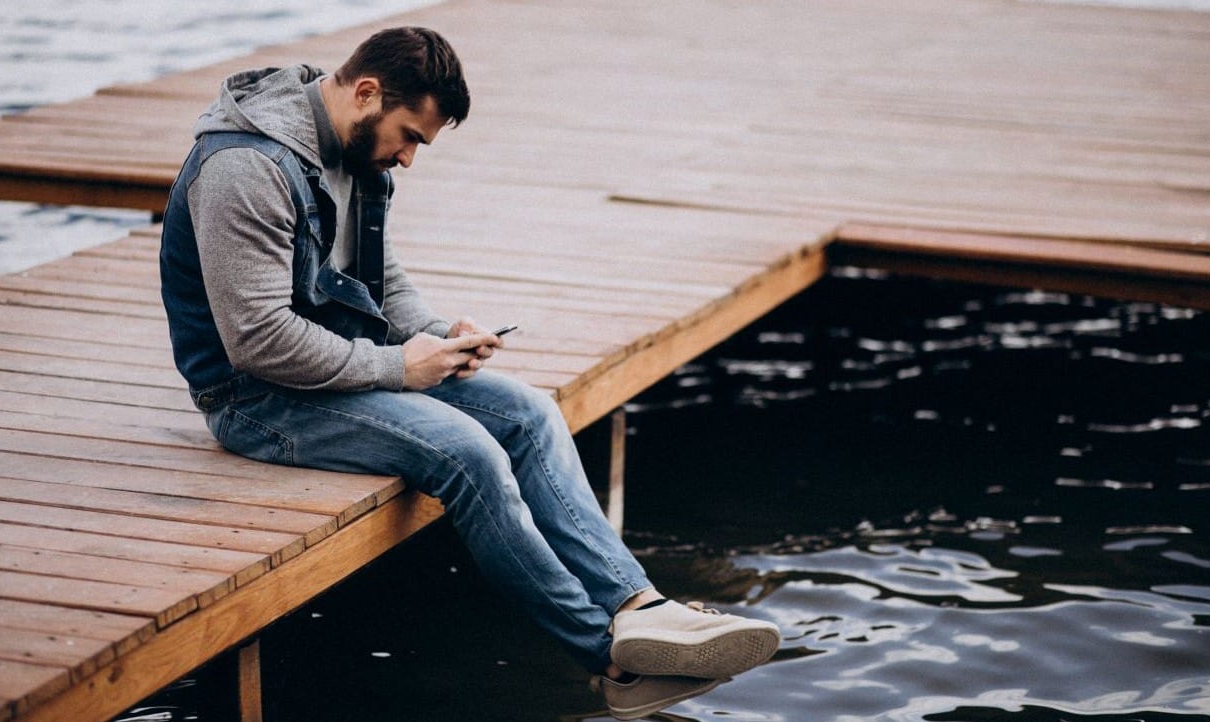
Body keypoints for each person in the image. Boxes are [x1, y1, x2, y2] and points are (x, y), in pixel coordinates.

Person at [159, 26, 779, 720]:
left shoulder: (357, 151)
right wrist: (399, 367)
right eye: (410, 136)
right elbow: (257, 342)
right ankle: (612, 662)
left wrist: (437, 335)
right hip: (253, 399)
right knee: (468, 453)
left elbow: (381, 283)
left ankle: (642, 607)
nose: (409, 157)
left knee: (531, 413)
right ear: (365, 92)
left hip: (341, 367)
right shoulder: (246, 168)